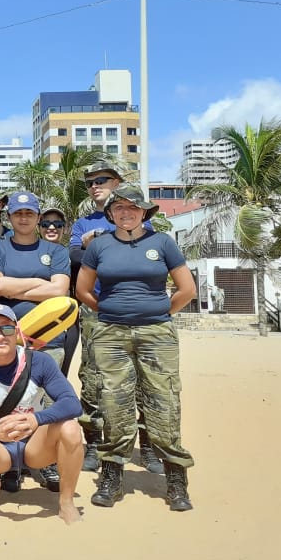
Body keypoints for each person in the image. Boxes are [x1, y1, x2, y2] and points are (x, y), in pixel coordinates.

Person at [76, 186, 197, 512]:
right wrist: (110, 311)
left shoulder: (162, 243)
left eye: (133, 208)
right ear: (111, 213)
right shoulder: (99, 246)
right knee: (113, 401)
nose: (126, 213)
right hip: (111, 334)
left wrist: (157, 313)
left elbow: (187, 289)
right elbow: (83, 289)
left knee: (164, 401)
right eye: (120, 208)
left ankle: (176, 479)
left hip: (156, 333)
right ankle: (111, 475)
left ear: (145, 212)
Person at [0, 304, 83, 525]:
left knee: (71, 428)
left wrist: (35, 420)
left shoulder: (39, 361)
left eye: (6, 328)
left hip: (35, 445)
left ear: (17, 331)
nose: (0, 336)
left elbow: (72, 404)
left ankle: (66, 501)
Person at [69, 161, 159, 474]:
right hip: (97, 309)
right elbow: (77, 256)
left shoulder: (136, 214)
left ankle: (147, 447)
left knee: (143, 381)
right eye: (90, 182)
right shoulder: (82, 223)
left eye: (102, 180)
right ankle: (94, 444)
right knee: (93, 378)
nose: (95, 185)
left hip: (139, 311)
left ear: (118, 181)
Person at [0, 191, 71, 493]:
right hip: (5, 340)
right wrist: (39, 284)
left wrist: (13, 289)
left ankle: (43, 462)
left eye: (29, 214)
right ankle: (10, 462)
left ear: (37, 217)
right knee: (7, 402)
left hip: (50, 339)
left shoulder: (55, 250)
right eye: (18, 213)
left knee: (44, 403)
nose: (23, 218)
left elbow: (61, 291)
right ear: (9, 217)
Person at [39, 206, 80, 376]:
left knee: (61, 374)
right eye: (46, 223)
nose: (51, 228)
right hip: (35, 318)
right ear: (38, 226)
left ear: (65, 228)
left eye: (57, 224)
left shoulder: (72, 255)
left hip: (67, 320)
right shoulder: (28, 251)